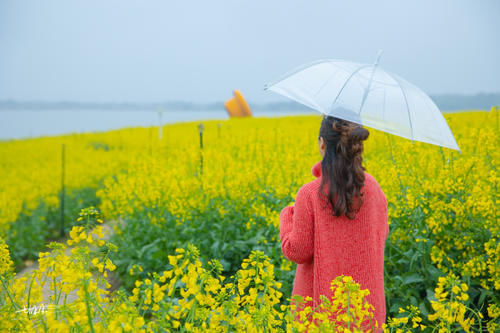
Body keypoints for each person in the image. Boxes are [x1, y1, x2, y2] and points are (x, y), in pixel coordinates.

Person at [280, 115, 389, 331]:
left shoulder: (310, 193)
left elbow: (297, 251)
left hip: (322, 318)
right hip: (367, 314)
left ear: (322, 143)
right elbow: (381, 234)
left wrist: (288, 214)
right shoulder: (375, 189)